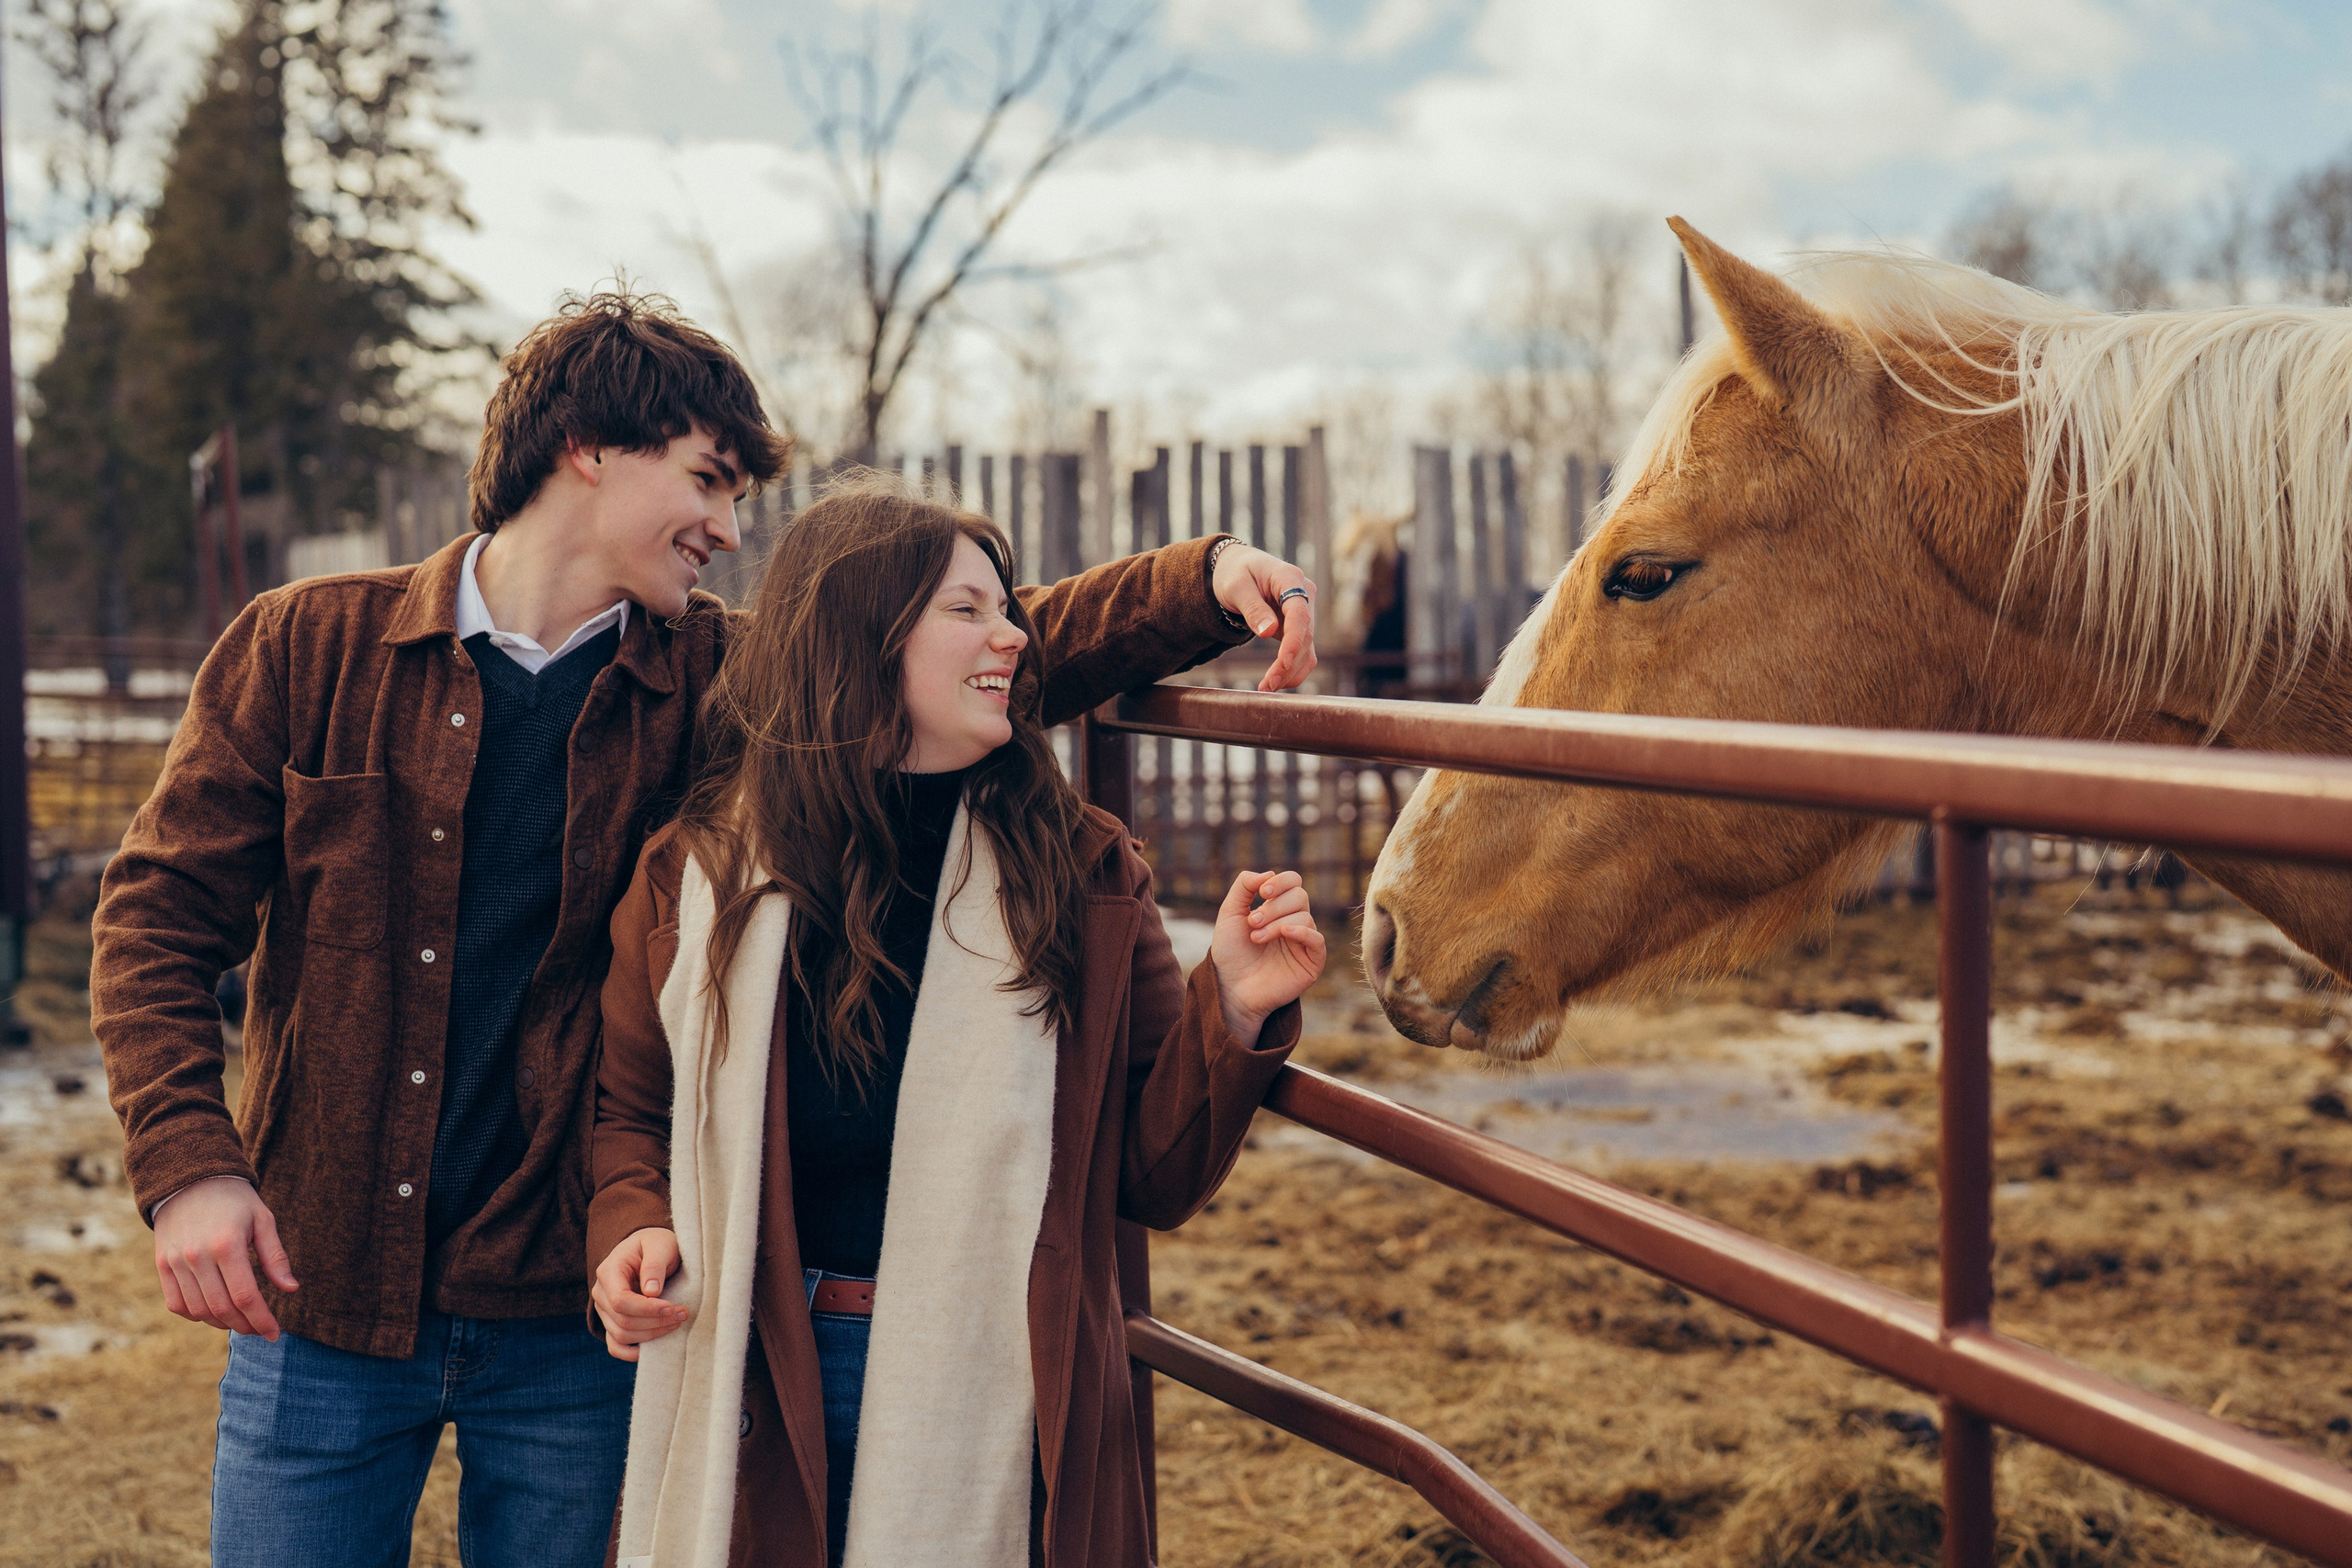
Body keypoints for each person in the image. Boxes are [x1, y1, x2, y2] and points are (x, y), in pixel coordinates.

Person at [90, 288, 1318, 1568]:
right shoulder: (306, 647)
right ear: (586, 446)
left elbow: (954, 653)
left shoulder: (714, 680)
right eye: (707, 479)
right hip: (323, 1292)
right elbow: (157, 915)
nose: (729, 530)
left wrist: (1206, 579)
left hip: (581, 1316)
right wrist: (189, 1164)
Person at [587, 479, 1324, 1568]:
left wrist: (1237, 1005)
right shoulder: (698, 873)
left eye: (1010, 610)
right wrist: (630, 1228)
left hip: (997, 1367)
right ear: (858, 639)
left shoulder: (1081, 872)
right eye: (968, 611)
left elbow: (1153, 1179)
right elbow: (630, 1111)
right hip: (751, 1349)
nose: (1015, 638)